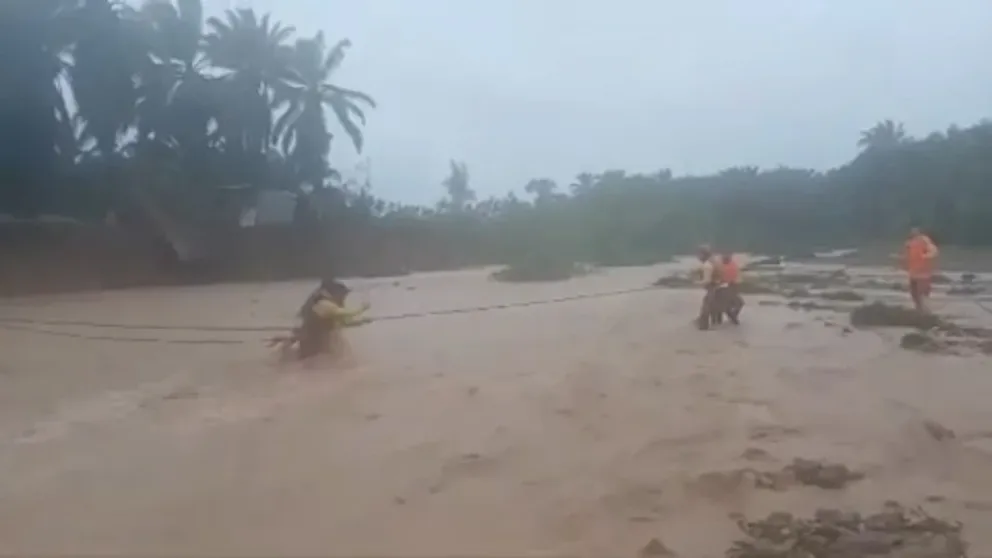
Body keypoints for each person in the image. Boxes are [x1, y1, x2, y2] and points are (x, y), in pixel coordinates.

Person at [269, 277, 371, 361]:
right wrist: (363, 308)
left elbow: (343, 322)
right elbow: (346, 314)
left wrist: (361, 321)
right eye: (343, 294)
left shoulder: (329, 305)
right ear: (334, 293)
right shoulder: (325, 305)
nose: (344, 297)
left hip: (322, 344)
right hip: (314, 345)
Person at [903, 227, 939, 313]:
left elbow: (933, 250)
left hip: (923, 274)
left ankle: (926, 312)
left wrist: (928, 256)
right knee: (914, 294)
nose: (913, 232)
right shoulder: (909, 243)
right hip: (913, 273)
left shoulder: (924, 240)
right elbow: (907, 256)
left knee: (922, 294)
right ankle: (919, 311)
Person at [695, 245, 723, 330]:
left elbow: (707, 281)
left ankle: (703, 327)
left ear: (703, 254)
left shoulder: (707, 265)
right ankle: (716, 323)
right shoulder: (714, 260)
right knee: (714, 306)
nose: (698, 257)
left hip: (713, 288)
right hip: (720, 287)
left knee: (706, 306)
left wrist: (696, 283)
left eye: (699, 254)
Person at [719, 253, 744, 324]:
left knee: (733, 304)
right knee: (738, 303)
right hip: (729, 287)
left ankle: (732, 316)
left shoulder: (726, 266)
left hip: (729, 287)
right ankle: (732, 316)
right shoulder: (726, 266)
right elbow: (727, 279)